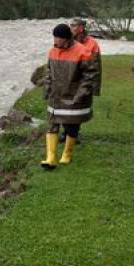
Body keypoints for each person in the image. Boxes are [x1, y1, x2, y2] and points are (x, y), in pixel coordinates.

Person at [41, 23, 98, 169]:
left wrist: (80, 94)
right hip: (56, 96)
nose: (55, 42)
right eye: (54, 39)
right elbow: (48, 71)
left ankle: (67, 153)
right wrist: (47, 88)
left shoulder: (83, 52)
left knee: (72, 126)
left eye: (58, 39)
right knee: (52, 124)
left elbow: (90, 76)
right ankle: (50, 157)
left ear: (67, 39)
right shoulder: (53, 51)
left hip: (74, 96)